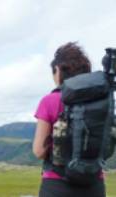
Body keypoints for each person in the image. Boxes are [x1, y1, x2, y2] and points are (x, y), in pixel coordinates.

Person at [32, 42, 106, 197]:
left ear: (58, 70)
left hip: (57, 185)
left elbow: (39, 151)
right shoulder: (102, 101)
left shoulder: (49, 101)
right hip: (95, 185)